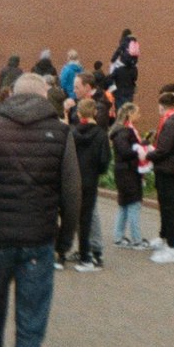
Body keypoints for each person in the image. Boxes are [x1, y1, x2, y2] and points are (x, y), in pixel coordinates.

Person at [0, 72, 80, 347]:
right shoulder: (60, 133)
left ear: (11, 95)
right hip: (37, 247)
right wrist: (65, 241)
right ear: (45, 96)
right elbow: (72, 192)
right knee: (30, 333)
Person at [146, 92, 174, 263]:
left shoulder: (170, 123)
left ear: (161, 106)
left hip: (167, 169)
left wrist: (149, 154)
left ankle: (171, 247)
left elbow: (164, 149)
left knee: (168, 207)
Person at [71, 98, 111, 272]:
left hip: (74, 179)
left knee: (73, 216)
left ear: (78, 114)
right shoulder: (101, 135)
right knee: (87, 217)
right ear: (95, 112)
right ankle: (87, 256)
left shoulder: (72, 133)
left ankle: (71, 251)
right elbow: (104, 161)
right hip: (90, 179)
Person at [110, 103, 151, 247]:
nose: (139, 115)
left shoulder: (120, 131)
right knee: (133, 204)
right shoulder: (125, 131)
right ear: (129, 114)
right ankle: (136, 239)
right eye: (137, 113)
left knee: (124, 204)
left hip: (122, 171)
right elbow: (125, 151)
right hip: (128, 172)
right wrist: (139, 151)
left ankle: (119, 236)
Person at [109, 28, 139, 110]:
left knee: (120, 109)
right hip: (130, 89)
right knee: (129, 109)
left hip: (120, 90)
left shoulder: (124, 41)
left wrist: (113, 60)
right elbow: (135, 78)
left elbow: (118, 51)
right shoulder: (134, 42)